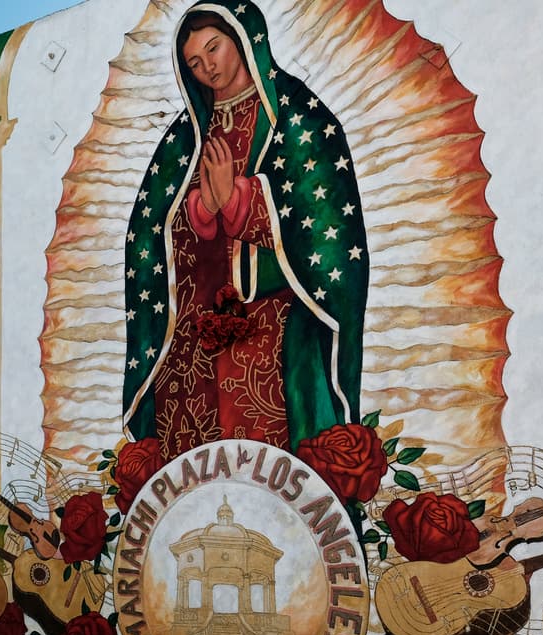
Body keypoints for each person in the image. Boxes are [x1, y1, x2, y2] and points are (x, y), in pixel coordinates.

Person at [123, 0, 370, 460]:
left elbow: (322, 218)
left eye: (214, 48)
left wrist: (239, 201)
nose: (207, 67)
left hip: (275, 322)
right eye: (194, 63)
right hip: (197, 330)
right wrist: (201, 208)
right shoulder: (186, 137)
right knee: (193, 464)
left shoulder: (298, 118)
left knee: (266, 463)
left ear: (243, 38)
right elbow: (153, 229)